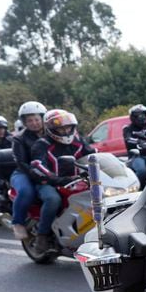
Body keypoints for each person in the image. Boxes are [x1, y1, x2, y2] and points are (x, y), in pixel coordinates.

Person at [29, 109, 94, 254]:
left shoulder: (78, 141)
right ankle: (42, 236)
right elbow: (37, 166)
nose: (65, 131)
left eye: (68, 127)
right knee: (53, 200)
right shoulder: (42, 144)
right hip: (49, 183)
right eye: (61, 128)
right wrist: (56, 179)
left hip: (76, 181)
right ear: (51, 129)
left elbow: (94, 155)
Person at [10, 101, 47, 240]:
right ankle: (18, 222)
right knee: (26, 191)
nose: (34, 123)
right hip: (23, 172)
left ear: (43, 118)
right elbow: (21, 163)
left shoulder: (52, 133)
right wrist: (38, 175)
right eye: (30, 120)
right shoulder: (19, 138)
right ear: (24, 122)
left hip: (48, 172)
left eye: (37, 119)